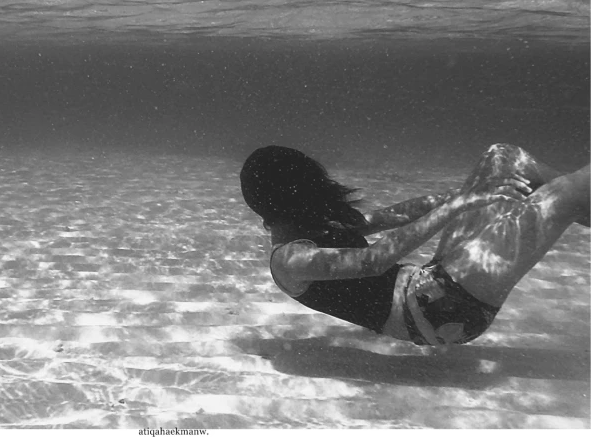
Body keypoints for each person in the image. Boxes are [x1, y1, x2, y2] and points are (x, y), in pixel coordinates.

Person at [239, 144, 590, 346]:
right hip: (438, 315)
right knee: (564, 193)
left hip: (434, 282)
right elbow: (373, 261)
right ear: (293, 192)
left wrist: (463, 194)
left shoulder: (313, 221)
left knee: (504, 158)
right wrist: (458, 206)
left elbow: (387, 218)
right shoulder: (290, 258)